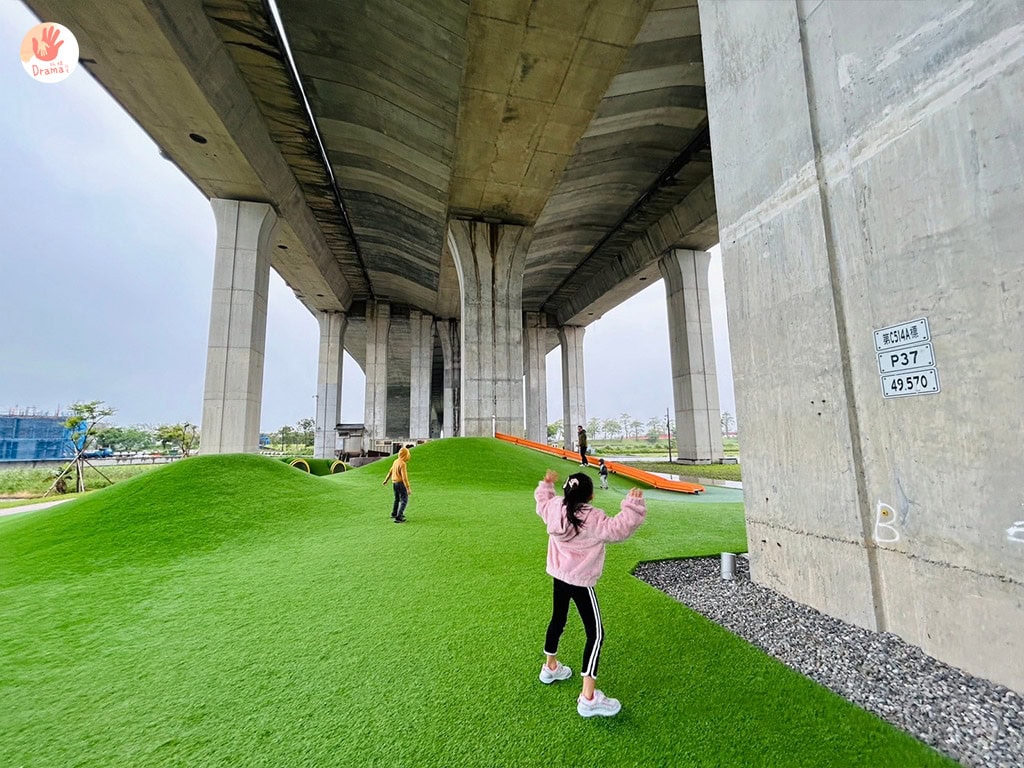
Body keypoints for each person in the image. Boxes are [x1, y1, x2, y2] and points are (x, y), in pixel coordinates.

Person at [534, 469, 646, 718]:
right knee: (595, 635)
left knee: (558, 620)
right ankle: (588, 698)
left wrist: (546, 485)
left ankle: (550, 666)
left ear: (566, 491)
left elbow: (542, 503)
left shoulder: (554, 507)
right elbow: (618, 529)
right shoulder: (593, 518)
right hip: (581, 582)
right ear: (591, 496)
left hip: (559, 577)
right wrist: (633, 505)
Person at [381, 446, 412, 523]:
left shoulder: (395, 461)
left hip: (394, 483)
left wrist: (386, 480)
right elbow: (404, 477)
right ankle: (399, 517)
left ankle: (394, 513)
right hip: (401, 483)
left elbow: (390, 471)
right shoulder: (403, 464)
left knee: (397, 499)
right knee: (404, 500)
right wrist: (408, 488)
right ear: (405, 455)